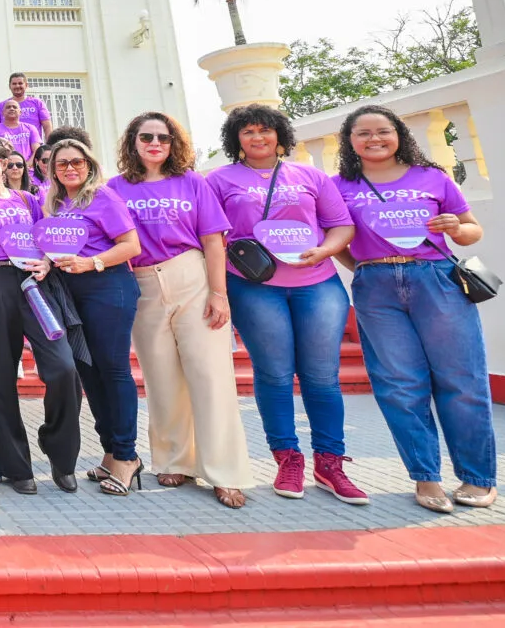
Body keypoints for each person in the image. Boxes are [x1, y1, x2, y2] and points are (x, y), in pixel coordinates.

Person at [331, 105, 495, 512]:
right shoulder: (338, 186)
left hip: (437, 279)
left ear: (399, 134)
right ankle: (426, 478)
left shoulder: (433, 177)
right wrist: (367, 269)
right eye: (363, 133)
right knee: (400, 384)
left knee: (462, 378)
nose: (374, 139)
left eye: (383, 131)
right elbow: (338, 239)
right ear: (350, 142)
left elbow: (472, 230)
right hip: (376, 289)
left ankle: (477, 478)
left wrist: (457, 228)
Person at [207, 104, 363, 504]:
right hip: (255, 286)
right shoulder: (219, 180)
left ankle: (330, 464)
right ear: (235, 139)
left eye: (264, 130)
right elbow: (209, 233)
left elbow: (341, 224)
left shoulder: (309, 175)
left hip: (318, 284)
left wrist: (324, 250)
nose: (257, 138)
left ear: (279, 134)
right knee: (275, 375)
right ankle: (287, 458)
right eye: (247, 132)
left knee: (322, 377)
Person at [110, 113, 253, 508]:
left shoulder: (193, 182)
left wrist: (219, 293)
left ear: (174, 143)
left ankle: (225, 472)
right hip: (141, 283)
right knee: (161, 375)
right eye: (146, 136)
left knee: (210, 375)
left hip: (190, 275)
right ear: (133, 142)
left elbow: (213, 240)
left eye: (164, 137)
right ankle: (174, 458)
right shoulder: (115, 188)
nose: (155, 143)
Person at [0, 134, 83, 495]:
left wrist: (46, 263)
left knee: (63, 368)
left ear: (4, 164)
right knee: (2, 378)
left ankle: (59, 450)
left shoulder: (28, 200)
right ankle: (16, 465)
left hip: (34, 283)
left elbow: (48, 238)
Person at [38, 138, 144, 497]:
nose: (69, 168)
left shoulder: (103, 197)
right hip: (69, 292)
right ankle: (111, 451)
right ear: (52, 169)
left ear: (89, 166)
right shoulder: (52, 202)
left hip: (107, 286)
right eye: (62, 163)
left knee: (112, 370)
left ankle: (128, 456)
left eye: (77, 162)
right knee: (88, 371)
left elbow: (131, 245)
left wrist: (91, 262)